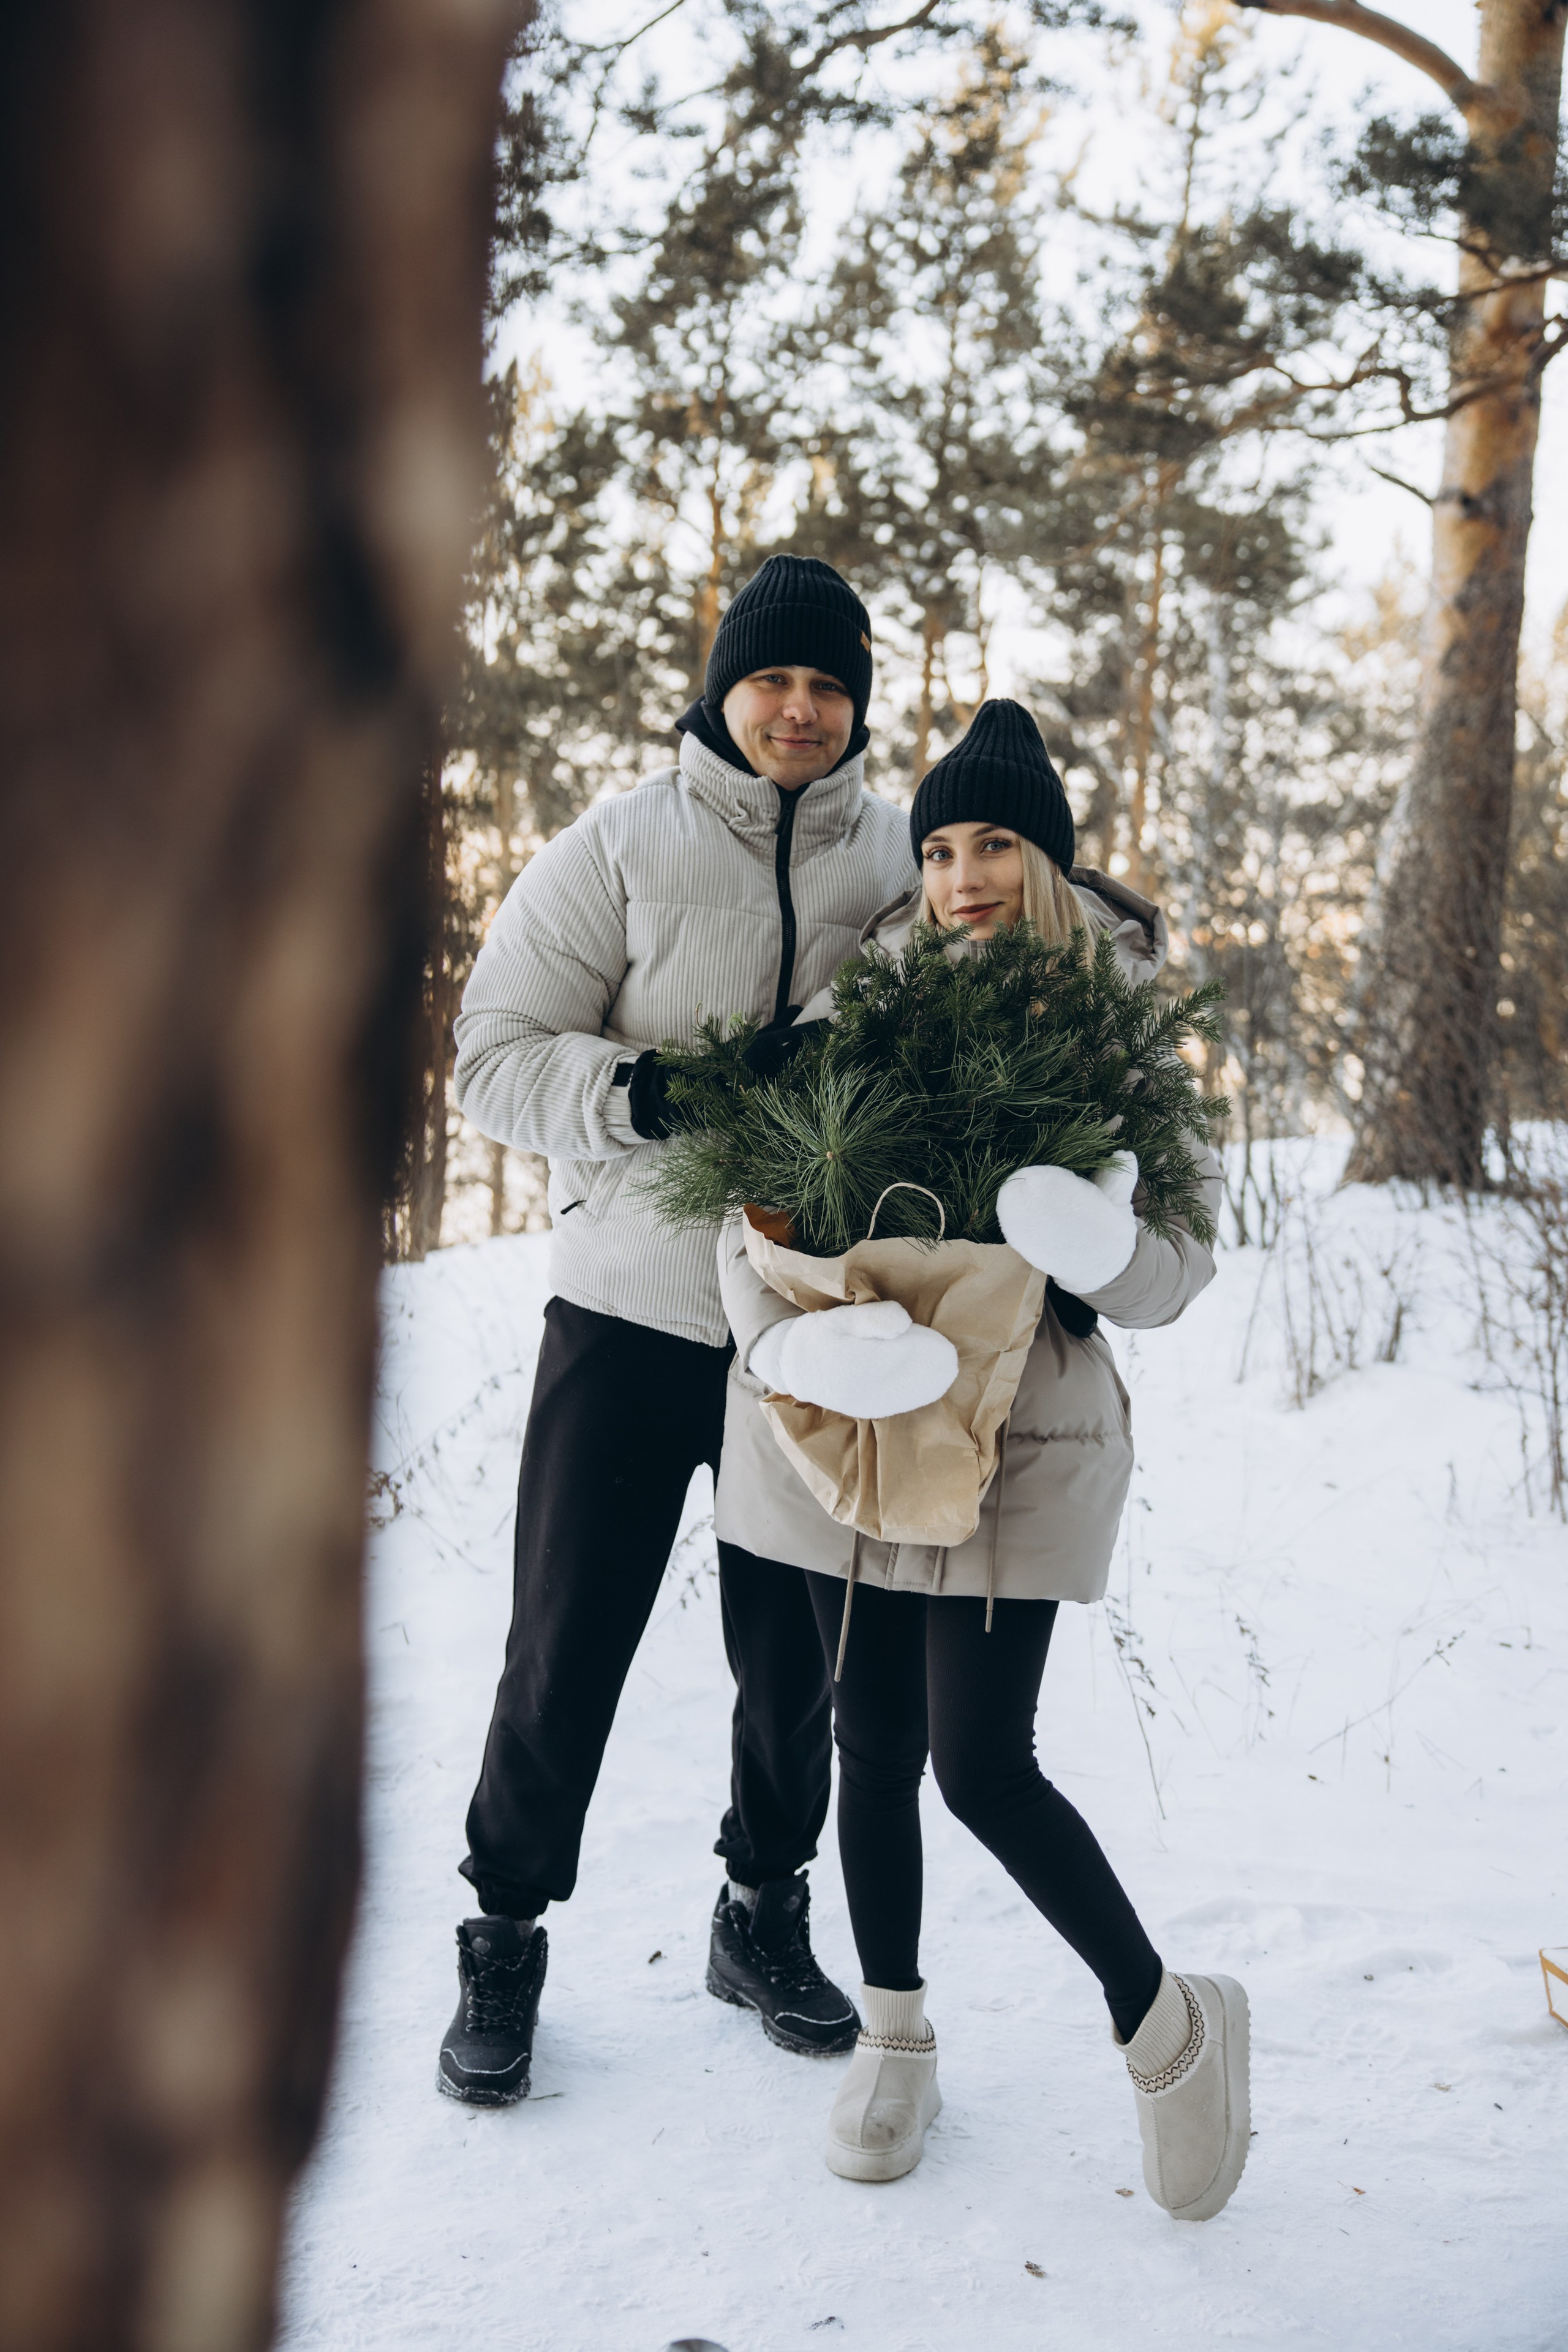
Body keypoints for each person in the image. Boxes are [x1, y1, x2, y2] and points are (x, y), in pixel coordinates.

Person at [714, 699, 1250, 2219]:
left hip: (1017, 1435)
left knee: (981, 1764)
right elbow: (746, 1207)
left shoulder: (1120, 1028)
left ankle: (1168, 2028)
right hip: (868, 1418)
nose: (960, 877)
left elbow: (1179, 1264)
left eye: (995, 845)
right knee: (865, 1742)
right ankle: (892, 2037)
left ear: (1051, 864)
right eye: (939, 847)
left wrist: (1100, 1248)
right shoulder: (864, 1002)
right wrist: (781, 1345)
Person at [435, 556, 917, 2105]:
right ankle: (504, 1934)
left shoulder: (898, 859)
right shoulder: (620, 844)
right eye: (772, 679)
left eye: (828, 686)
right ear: (723, 690)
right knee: (565, 1641)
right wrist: (647, 1094)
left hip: (805, 1325)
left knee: (794, 1662)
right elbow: (489, 1055)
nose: (799, 709)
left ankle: (759, 1914)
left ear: (856, 706)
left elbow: (968, 993)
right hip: (626, 1311)